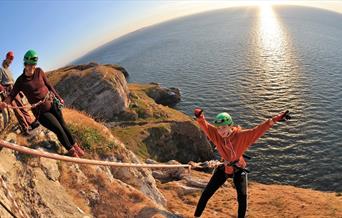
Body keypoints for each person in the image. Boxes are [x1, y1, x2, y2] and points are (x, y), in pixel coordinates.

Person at [192, 108, 290, 218]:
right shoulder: (216, 134)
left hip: (239, 168)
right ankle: (196, 216)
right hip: (223, 167)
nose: (221, 131)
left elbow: (258, 130)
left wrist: (276, 119)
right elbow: (205, 125)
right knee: (206, 193)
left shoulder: (241, 136)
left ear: (230, 125)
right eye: (218, 128)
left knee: (242, 197)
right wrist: (200, 117)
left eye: (223, 127)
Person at [0, 50, 84, 157]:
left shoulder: (39, 71)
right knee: (58, 128)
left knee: (63, 125)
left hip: (52, 103)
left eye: (33, 65)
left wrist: (58, 97)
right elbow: (11, 95)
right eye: (29, 65)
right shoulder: (20, 81)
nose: (32, 68)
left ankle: (75, 146)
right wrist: (4, 103)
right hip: (41, 111)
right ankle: (71, 151)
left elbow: (49, 85)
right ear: (25, 64)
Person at [0, 51, 38, 135]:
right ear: (6, 58)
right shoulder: (1, 70)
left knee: (22, 107)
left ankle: (31, 123)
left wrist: (19, 91)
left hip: (14, 89)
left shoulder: (8, 70)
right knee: (17, 110)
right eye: (9, 58)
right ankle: (25, 128)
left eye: (12, 59)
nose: (11, 60)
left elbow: (12, 82)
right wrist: (3, 91)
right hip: (7, 92)